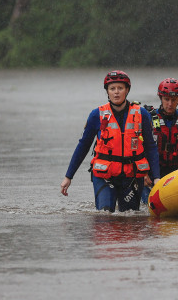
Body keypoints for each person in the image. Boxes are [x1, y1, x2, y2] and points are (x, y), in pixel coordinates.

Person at [60, 70, 160, 212]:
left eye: (120, 88)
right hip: (105, 175)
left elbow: (150, 147)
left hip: (131, 175)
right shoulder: (97, 114)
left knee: (130, 218)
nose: (116, 92)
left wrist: (156, 177)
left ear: (127, 90)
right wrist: (68, 176)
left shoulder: (141, 114)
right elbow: (83, 146)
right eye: (112, 89)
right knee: (105, 214)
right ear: (107, 91)